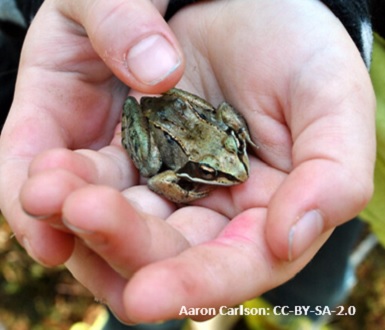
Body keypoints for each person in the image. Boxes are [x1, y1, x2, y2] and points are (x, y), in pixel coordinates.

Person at [0, 0, 381, 328]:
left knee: (309, 281)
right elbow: (157, 181)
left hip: (192, 116)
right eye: (217, 172)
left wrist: (238, 141)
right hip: (159, 123)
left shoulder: (236, 153)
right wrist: (186, 188)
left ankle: (280, 317)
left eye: (234, 159)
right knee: (149, 177)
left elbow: (224, 111)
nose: (239, 174)